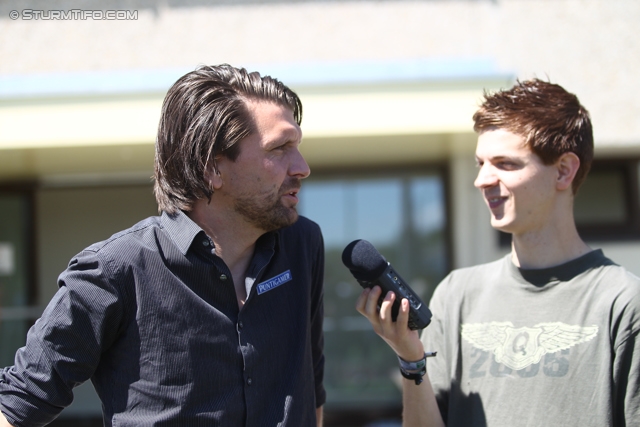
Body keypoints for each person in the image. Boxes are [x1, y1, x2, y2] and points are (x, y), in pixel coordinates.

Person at [0, 64, 325, 426]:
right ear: (211, 168)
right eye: (280, 148)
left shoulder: (302, 246)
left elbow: (310, 391)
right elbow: (17, 404)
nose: (302, 167)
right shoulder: (114, 271)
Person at [356, 79, 640, 426]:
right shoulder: (457, 295)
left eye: (505, 164)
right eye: (481, 163)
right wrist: (410, 358)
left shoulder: (623, 303)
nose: (483, 180)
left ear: (564, 171)